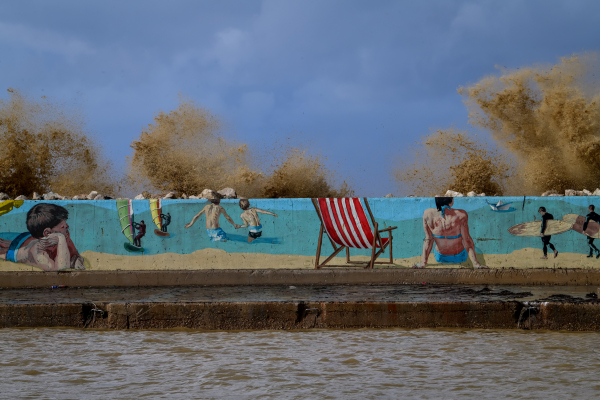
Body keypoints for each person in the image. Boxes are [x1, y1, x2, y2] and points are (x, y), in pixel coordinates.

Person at [0, 203, 84, 271]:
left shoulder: (64, 234)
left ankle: (10, 244)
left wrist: (77, 262)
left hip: (29, 238)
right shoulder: (38, 251)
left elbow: (75, 255)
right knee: (4, 252)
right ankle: (10, 246)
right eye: (62, 226)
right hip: (16, 252)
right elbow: (61, 270)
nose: (67, 226)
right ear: (47, 232)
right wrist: (61, 240)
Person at [413, 197, 487, 269]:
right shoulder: (461, 215)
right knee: (477, 249)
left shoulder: (428, 214)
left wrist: (423, 263)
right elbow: (466, 240)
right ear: (451, 201)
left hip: (439, 257)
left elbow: (428, 240)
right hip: (459, 256)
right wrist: (475, 263)